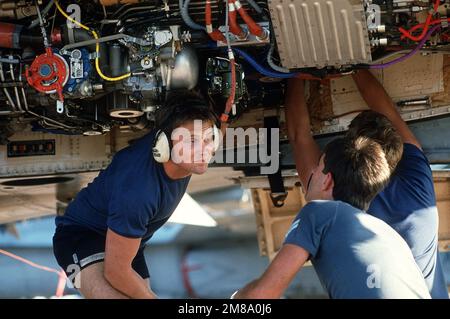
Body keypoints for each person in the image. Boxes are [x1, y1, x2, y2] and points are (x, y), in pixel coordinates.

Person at [234, 79, 431, 299]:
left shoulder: (321, 213)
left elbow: (259, 297)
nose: (311, 176)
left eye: (317, 168)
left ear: (328, 181)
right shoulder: (392, 238)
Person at [53, 90, 220, 299]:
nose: (204, 149)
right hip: (80, 238)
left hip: (129, 242)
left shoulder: (183, 151)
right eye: (192, 141)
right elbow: (116, 272)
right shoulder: (138, 191)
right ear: (165, 146)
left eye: (209, 138)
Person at [348, 70, 448, 298]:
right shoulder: (342, 200)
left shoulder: (419, 187)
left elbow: (389, 115)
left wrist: (353, 65)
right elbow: (298, 135)